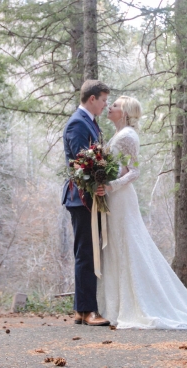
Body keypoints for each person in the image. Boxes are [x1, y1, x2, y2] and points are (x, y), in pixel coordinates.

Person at [96, 96, 187, 329]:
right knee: (116, 247)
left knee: (128, 245)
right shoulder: (118, 135)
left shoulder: (128, 136)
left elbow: (134, 172)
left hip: (121, 198)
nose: (110, 107)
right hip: (112, 197)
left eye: (115, 105)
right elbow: (119, 167)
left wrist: (111, 185)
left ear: (125, 112)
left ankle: (138, 304)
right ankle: (114, 305)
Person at [61, 80, 111, 326]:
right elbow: (82, 164)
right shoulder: (78, 124)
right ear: (92, 99)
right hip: (81, 199)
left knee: (88, 253)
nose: (105, 105)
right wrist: (97, 181)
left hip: (89, 198)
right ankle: (88, 310)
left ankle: (82, 310)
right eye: (103, 100)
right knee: (86, 254)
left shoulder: (90, 122)